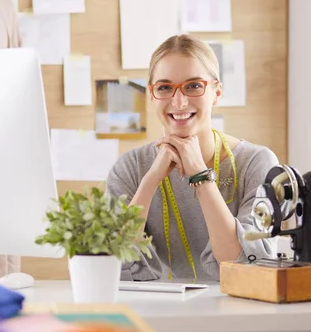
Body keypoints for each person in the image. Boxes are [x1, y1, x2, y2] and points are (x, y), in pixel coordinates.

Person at [106, 34, 279, 282]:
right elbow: (113, 266)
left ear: (216, 92)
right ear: (152, 95)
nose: (179, 101)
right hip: (155, 313)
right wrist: (150, 181)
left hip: (238, 312)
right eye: (164, 88)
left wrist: (201, 175)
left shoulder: (257, 162)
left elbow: (243, 267)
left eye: (194, 86)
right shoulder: (130, 168)